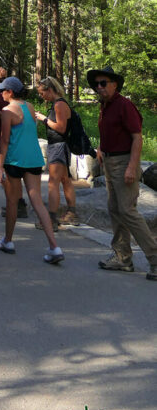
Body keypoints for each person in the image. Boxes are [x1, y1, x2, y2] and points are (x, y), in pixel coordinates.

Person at [89, 65, 157, 280]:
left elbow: (137, 137)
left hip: (124, 161)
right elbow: (109, 131)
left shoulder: (124, 105)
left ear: (115, 84)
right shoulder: (105, 106)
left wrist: (131, 166)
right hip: (110, 162)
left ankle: (155, 259)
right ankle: (122, 257)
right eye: (97, 84)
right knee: (115, 209)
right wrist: (101, 148)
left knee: (127, 210)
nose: (99, 87)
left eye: (103, 83)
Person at [0, 76, 64, 264]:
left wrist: (0, 165)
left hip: (15, 160)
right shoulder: (29, 106)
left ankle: (8, 241)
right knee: (37, 201)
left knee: (11, 201)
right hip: (33, 158)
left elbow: (4, 140)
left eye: (3, 90)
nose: (1, 93)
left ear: (10, 92)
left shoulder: (8, 110)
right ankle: (54, 246)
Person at [34, 75, 77, 229]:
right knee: (65, 180)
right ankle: (71, 213)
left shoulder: (59, 105)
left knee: (53, 183)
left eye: (42, 93)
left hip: (58, 146)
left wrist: (44, 119)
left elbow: (61, 128)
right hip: (60, 146)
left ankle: (51, 220)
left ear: (50, 90)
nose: (41, 96)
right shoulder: (58, 104)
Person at [0, 65, 28, 220]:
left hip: (6, 136)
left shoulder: (2, 96)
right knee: (14, 175)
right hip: (9, 136)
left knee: (9, 175)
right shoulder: (1, 94)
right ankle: (17, 203)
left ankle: (16, 204)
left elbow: (7, 114)